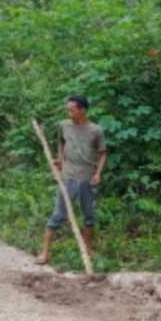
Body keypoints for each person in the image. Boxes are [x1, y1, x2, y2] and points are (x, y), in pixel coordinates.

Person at [35, 95, 107, 264]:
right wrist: (60, 160)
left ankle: (87, 249)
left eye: (71, 110)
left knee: (89, 216)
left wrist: (98, 174)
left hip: (87, 179)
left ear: (82, 110)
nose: (68, 112)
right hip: (67, 178)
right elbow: (61, 143)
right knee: (58, 215)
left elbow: (103, 153)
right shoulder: (64, 125)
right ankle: (45, 253)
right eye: (67, 109)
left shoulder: (95, 130)